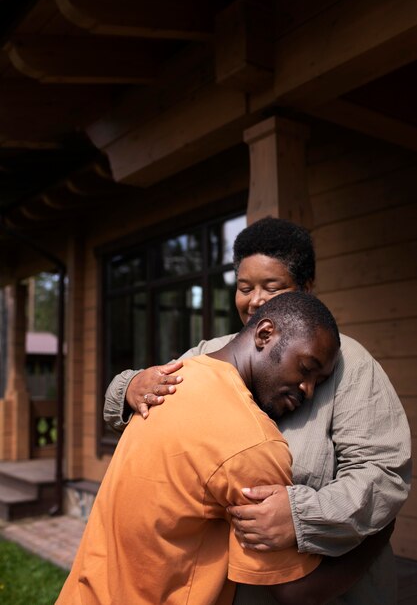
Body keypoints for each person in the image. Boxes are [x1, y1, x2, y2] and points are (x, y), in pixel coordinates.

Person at [104, 217, 411, 605]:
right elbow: (152, 412)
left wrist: (302, 516)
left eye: (272, 286)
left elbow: (382, 472)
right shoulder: (207, 355)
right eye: (245, 287)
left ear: (305, 291)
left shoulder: (351, 365)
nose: (255, 300)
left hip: (337, 585)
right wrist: (129, 387)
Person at [57, 292, 390, 605]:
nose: (308, 389)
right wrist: (378, 533)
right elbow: (294, 593)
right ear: (265, 334)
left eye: (319, 380)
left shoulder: (169, 381)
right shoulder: (254, 443)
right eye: (306, 368)